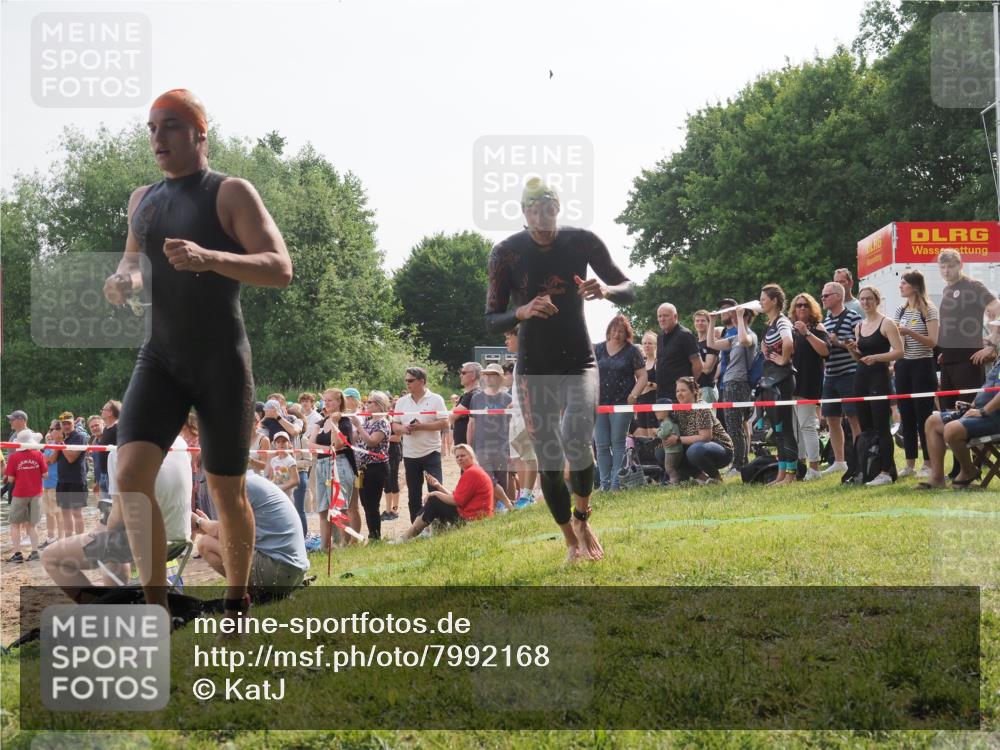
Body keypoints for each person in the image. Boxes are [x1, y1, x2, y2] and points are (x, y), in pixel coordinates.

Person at [101, 88, 292, 621]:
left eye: (170, 127)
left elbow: (280, 268)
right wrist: (122, 281)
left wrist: (209, 257)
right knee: (130, 475)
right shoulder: (144, 199)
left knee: (226, 493)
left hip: (220, 361)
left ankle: (236, 601)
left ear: (199, 135)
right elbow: (133, 265)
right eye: (151, 128)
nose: (157, 138)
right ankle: (156, 607)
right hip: (160, 356)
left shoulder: (230, 192)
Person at [484, 177, 635, 562]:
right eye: (534, 210)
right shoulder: (505, 252)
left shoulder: (581, 241)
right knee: (550, 463)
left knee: (577, 438)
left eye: (548, 209)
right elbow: (491, 318)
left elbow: (630, 286)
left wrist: (606, 290)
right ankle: (570, 539)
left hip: (580, 361)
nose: (542, 218)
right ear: (524, 213)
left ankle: (583, 516)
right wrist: (522, 311)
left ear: (558, 208)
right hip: (534, 369)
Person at [42, 434, 192, 601]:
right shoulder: (180, 443)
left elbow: (118, 517)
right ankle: (120, 602)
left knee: (51, 557)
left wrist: (102, 526)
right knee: (112, 543)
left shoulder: (121, 451)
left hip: (141, 546)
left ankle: (100, 609)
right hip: (179, 541)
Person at [195, 471, 309, 598]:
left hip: (280, 572)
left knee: (205, 543)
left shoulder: (241, 488)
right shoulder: (253, 481)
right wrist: (208, 525)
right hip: (295, 570)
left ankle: (248, 593)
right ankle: (259, 591)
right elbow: (233, 531)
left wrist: (199, 522)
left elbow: (223, 532)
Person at [919, 326, 1000, 489]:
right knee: (932, 422)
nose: (990, 336)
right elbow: (988, 388)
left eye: (996, 332)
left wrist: (982, 411)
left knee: (951, 429)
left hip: (994, 416)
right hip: (983, 413)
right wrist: (973, 405)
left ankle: (968, 470)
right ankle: (937, 478)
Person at [844, 286, 904, 486]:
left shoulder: (887, 323)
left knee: (881, 426)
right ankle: (868, 467)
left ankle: (886, 471)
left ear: (877, 301)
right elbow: (860, 357)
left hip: (879, 377)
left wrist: (876, 358)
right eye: (862, 299)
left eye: (870, 299)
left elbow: (899, 352)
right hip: (861, 377)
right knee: (866, 427)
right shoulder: (859, 326)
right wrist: (852, 350)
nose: (866, 302)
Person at [936, 249, 1000, 410]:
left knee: (967, 410)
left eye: (950, 266)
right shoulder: (946, 290)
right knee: (948, 411)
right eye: (942, 267)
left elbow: (997, 307)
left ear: (960, 265)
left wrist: (992, 344)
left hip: (969, 358)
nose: (946, 271)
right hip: (949, 359)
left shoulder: (972, 285)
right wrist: (946, 350)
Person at [892, 270, 940, 477]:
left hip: (922, 365)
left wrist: (909, 332)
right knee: (907, 416)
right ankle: (909, 464)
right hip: (903, 366)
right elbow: (896, 342)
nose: (900, 286)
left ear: (915, 286)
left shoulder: (929, 309)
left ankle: (928, 463)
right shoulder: (899, 311)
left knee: (924, 416)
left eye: (904, 283)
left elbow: (933, 342)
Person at [393, 444, 493, 542]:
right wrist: (438, 486)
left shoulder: (471, 473)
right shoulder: (474, 470)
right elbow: (456, 497)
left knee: (434, 501)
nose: (460, 459)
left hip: (473, 519)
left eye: (463, 455)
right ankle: (427, 532)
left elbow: (456, 501)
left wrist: (435, 493)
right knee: (437, 501)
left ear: (471, 456)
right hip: (478, 517)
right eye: (457, 457)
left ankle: (407, 536)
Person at [594, 314, 647, 491]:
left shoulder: (632, 351)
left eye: (621, 331)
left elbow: (642, 376)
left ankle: (616, 484)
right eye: (614, 330)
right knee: (601, 444)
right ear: (608, 331)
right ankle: (604, 484)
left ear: (627, 334)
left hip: (622, 403)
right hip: (599, 403)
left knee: (617, 443)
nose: (617, 334)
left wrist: (634, 394)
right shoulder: (598, 349)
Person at [391, 367, 448, 523]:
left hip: (431, 451)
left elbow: (444, 422)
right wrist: (404, 429)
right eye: (406, 381)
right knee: (413, 494)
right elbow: (394, 426)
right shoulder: (401, 402)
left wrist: (422, 426)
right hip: (410, 454)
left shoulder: (436, 399)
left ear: (421, 381)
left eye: (410, 380)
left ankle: (439, 525)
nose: (407, 384)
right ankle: (415, 529)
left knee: (435, 490)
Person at [706, 304, 758, 474]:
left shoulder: (749, 336)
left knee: (735, 426)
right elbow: (711, 343)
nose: (734, 319)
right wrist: (712, 322)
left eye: (738, 317)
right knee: (732, 425)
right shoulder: (734, 337)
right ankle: (740, 462)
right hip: (729, 383)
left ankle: (739, 464)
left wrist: (741, 317)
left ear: (746, 318)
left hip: (739, 383)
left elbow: (744, 341)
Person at [820, 281, 863, 473]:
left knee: (854, 418)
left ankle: (860, 457)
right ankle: (839, 461)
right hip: (830, 374)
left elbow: (859, 348)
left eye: (826, 295)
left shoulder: (853, 318)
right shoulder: (825, 321)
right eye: (822, 296)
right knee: (831, 418)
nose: (823, 299)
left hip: (849, 374)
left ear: (838, 296)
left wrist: (838, 343)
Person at [308, 388, 358, 551]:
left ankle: (344, 545)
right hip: (321, 466)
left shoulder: (344, 422)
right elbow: (310, 446)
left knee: (340, 508)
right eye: (325, 400)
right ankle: (325, 546)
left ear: (338, 402)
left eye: (330, 400)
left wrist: (335, 424)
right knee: (323, 510)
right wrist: (327, 448)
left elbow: (338, 445)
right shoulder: (320, 423)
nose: (326, 403)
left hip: (339, 465)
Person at [758, 285, 797, 485]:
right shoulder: (770, 323)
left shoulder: (782, 321)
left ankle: (791, 474)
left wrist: (783, 359)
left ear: (774, 301)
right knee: (777, 429)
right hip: (771, 380)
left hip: (782, 380)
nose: (761, 301)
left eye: (764, 298)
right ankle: (781, 474)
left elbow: (788, 342)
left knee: (786, 428)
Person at [790, 293, 829, 481]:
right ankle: (801, 465)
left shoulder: (817, 327)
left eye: (805, 305)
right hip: (791, 384)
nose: (802, 308)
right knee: (796, 427)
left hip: (809, 383)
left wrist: (807, 332)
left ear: (812, 308)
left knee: (808, 426)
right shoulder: (789, 329)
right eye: (798, 305)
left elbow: (825, 351)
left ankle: (815, 468)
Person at [666, 378, 735, 483]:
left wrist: (678, 439)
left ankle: (716, 477)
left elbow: (705, 437)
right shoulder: (677, 410)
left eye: (683, 390)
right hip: (695, 447)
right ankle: (703, 479)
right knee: (664, 451)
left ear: (694, 391)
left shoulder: (701, 407)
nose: (679, 394)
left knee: (694, 451)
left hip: (721, 448)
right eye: (677, 391)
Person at [468, 363, 515, 510]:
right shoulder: (476, 398)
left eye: (493, 375)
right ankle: (496, 509)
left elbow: (512, 426)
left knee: (503, 481)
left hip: (502, 446)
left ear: (500, 378)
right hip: (482, 447)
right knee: (488, 480)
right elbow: (471, 424)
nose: (489, 378)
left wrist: (511, 449)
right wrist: (470, 448)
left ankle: (503, 511)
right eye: (486, 374)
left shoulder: (508, 399)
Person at [355, 391, 391, 541]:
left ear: (378, 404)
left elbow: (371, 441)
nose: (366, 404)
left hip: (375, 468)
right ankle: (372, 534)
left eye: (369, 402)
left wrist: (359, 426)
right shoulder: (367, 421)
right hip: (361, 469)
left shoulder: (383, 422)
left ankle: (375, 536)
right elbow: (355, 439)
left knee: (371, 503)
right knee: (364, 503)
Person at [4, 429, 45, 562]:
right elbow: (45, 474)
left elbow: (10, 479)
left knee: (15, 524)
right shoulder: (38, 454)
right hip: (37, 493)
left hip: (20, 493)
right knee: (32, 525)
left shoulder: (14, 457)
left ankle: (17, 554)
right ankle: (34, 552)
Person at [48, 411, 88, 536]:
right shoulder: (63, 438)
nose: (66, 426)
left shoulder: (79, 436)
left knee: (76, 513)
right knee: (65, 513)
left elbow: (71, 458)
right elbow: (53, 459)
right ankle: (69, 540)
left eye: (68, 423)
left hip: (76, 479)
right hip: (62, 480)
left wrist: (60, 443)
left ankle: (80, 540)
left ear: (73, 423)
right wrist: (57, 442)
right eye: (63, 424)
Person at [654, 303, 702, 400]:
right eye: (659, 316)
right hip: (662, 393)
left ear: (675, 316)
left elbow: (698, 365)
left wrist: (687, 386)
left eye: (666, 316)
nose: (662, 319)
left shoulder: (685, 335)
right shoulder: (660, 336)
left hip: (680, 395)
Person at [633, 331, 660, 439]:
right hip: (641, 401)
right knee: (642, 435)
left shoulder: (658, 363)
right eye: (644, 343)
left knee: (653, 434)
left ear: (656, 345)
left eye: (650, 343)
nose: (647, 346)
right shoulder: (641, 364)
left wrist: (649, 384)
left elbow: (664, 385)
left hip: (653, 400)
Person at [40, 421, 63, 545]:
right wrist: (46, 460)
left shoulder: (58, 445)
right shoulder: (50, 445)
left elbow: (51, 460)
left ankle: (61, 537)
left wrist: (46, 459)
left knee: (58, 512)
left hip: (56, 483)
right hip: (47, 483)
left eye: (52, 429)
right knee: (48, 513)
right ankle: (50, 537)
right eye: (50, 429)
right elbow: (43, 461)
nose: (50, 431)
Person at [450, 362, 482, 447]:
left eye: (464, 373)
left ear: (473, 375)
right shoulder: (468, 394)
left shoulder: (472, 395)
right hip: (465, 445)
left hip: (468, 446)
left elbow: (452, 416)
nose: (460, 375)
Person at [382, 395, 403, 521]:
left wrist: (381, 437)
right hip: (384, 453)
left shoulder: (393, 420)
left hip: (394, 452)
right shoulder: (380, 419)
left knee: (393, 480)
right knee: (386, 483)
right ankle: (388, 509)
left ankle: (395, 510)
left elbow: (397, 438)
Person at [653, 400, 684, 484]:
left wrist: (657, 432)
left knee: (669, 467)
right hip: (676, 449)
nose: (656, 413)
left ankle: (674, 481)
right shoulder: (670, 421)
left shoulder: (666, 423)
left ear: (666, 411)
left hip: (672, 450)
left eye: (658, 411)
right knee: (674, 466)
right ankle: (676, 479)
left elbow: (663, 434)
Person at [693, 310, 720, 404]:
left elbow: (707, 368)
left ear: (709, 323)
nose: (699, 323)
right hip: (693, 389)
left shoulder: (713, 342)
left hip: (706, 389)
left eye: (703, 320)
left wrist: (692, 359)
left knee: (707, 419)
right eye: (697, 320)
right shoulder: (693, 343)